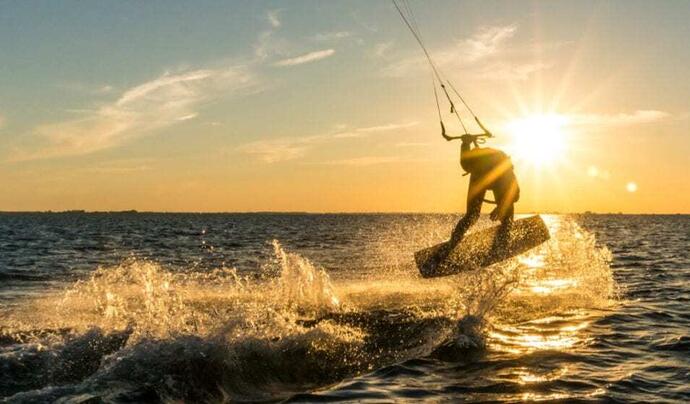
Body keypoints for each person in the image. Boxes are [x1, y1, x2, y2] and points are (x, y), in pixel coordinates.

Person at [443, 132, 520, 256]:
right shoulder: (473, 166)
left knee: (506, 215)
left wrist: (501, 207)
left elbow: (515, 195)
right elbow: (465, 162)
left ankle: (503, 241)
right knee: (472, 215)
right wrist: (465, 143)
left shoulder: (506, 173)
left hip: (496, 169)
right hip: (480, 172)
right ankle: (452, 245)